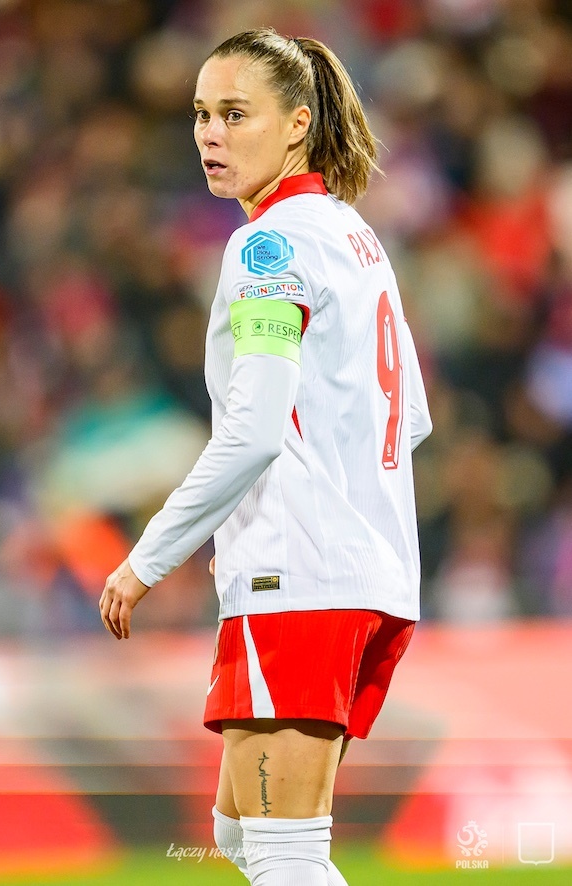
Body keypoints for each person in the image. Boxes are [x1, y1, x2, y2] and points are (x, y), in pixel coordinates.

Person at [100, 27, 432, 885]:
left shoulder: (268, 247)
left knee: (284, 857)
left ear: (296, 124)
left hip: (300, 583)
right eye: (200, 114)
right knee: (242, 836)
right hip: (368, 575)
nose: (210, 134)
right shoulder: (354, 236)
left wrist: (146, 559)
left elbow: (251, 430)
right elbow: (410, 420)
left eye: (234, 114)